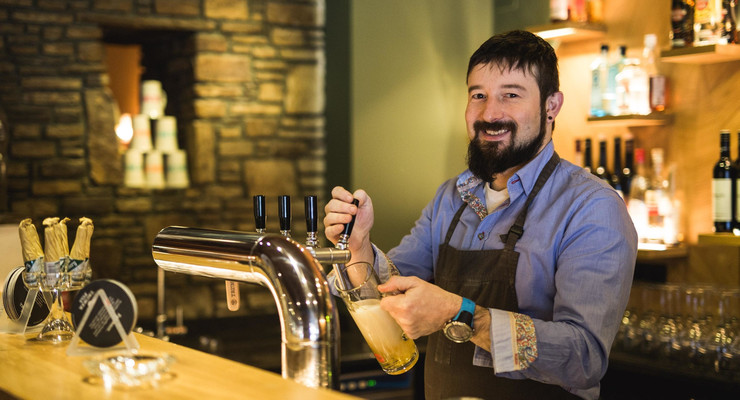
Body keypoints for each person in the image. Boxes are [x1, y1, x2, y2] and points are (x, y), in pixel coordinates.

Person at [324, 30, 637, 400]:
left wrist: (459, 315)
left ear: (551, 106)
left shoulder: (591, 208)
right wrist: (358, 249)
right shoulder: (450, 198)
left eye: (511, 95)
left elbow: (583, 357)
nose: (490, 113)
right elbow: (387, 298)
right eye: (478, 95)